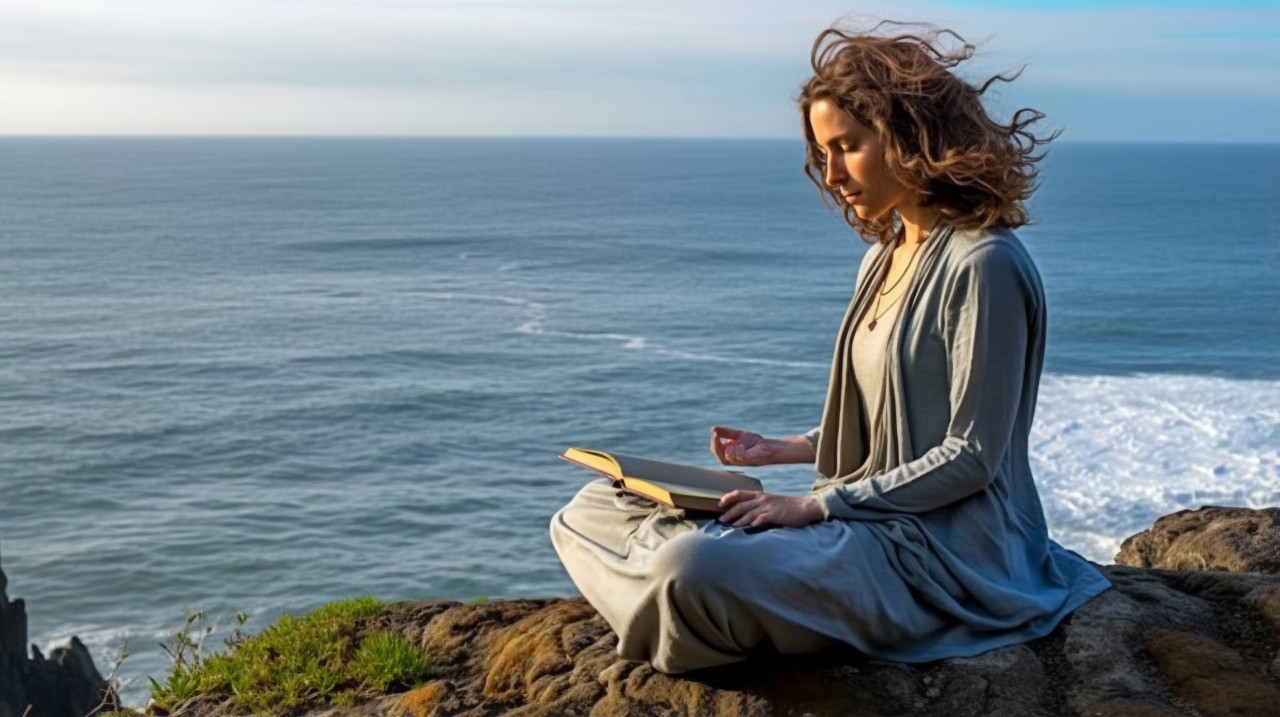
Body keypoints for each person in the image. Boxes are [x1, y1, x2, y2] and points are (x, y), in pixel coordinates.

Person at [549, 21, 1111, 674]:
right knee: (587, 509)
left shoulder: (985, 265)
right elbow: (893, 424)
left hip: (937, 554)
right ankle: (711, 603)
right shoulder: (884, 257)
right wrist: (780, 451)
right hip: (856, 521)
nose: (834, 173)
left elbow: (971, 455)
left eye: (848, 146)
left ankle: (697, 599)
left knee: (691, 563)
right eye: (824, 153)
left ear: (909, 136)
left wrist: (815, 504)